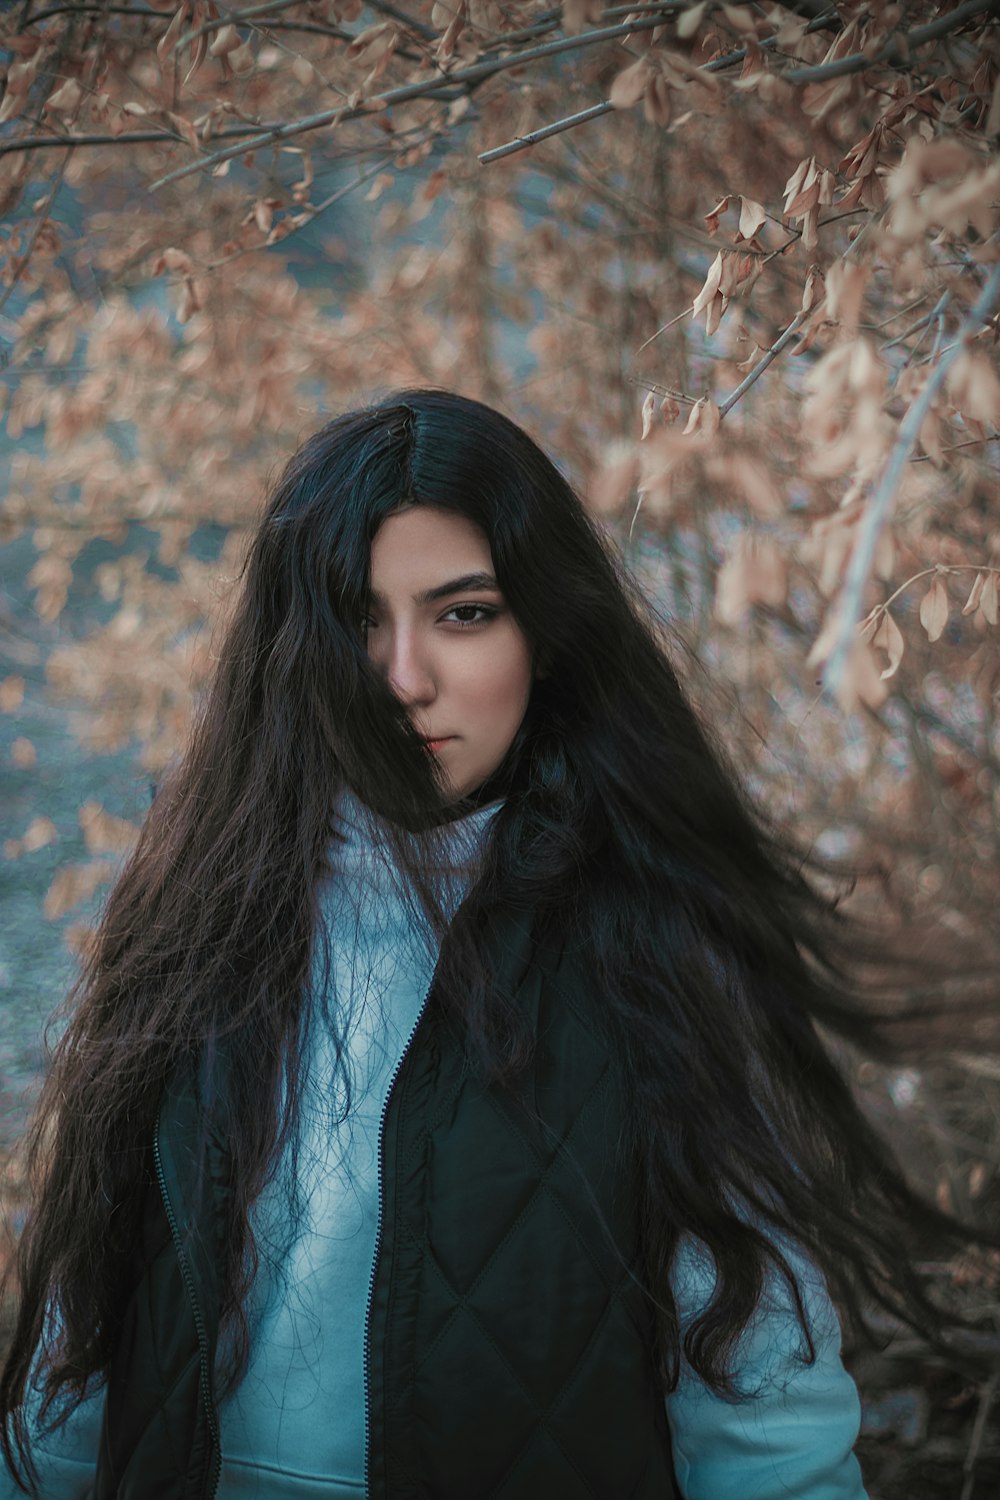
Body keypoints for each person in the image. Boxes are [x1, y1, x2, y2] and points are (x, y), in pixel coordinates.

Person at [0, 390, 973, 1499]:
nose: (405, 677)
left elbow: (768, 1435)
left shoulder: (660, 954)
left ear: (546, 635)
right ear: (292, 647)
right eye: (359, 619)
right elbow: (66, 1387)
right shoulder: (191, 926)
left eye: (463, 614)